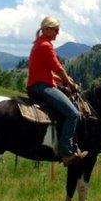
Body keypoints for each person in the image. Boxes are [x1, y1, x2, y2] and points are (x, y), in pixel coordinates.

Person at [26, 16, 88, 166]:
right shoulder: (46, 45)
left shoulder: (38, 44)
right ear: (47, 29)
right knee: (73, 114)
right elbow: (57, 68)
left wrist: (66, 81)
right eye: (56, 30)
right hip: (42, 87)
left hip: (37, 84)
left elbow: (48, 72)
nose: (58, 33)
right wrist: (70, 84)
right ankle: (66, 152)